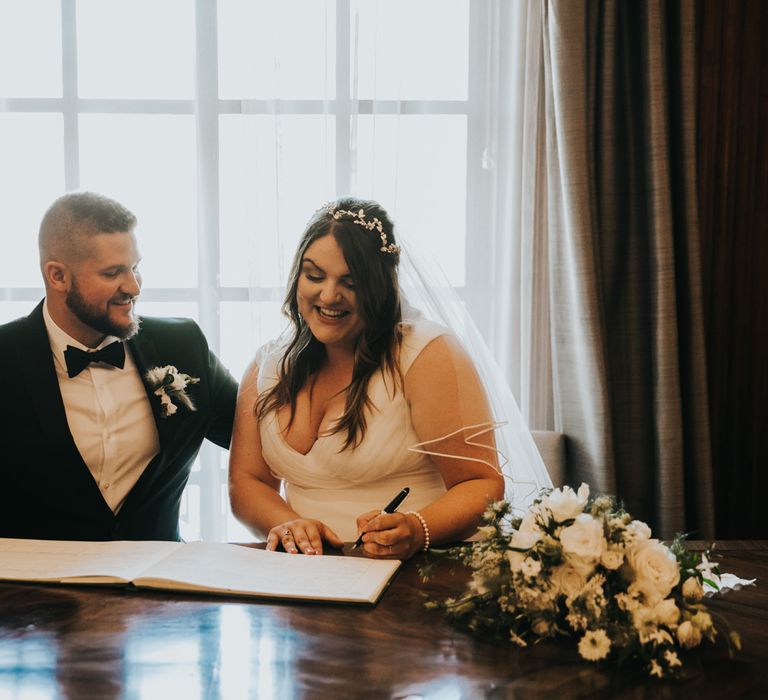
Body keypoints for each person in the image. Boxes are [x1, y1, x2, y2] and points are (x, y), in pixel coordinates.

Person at [229, 197, 517, 559]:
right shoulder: (265, 367)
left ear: (381, 287)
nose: (329, 295)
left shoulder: (426, 354)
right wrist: (288, 523)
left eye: (350, 283)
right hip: (304, 577)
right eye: (314, 276)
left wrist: (417, 528)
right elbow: (246, 483)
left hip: (417, 572)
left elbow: (481, 484)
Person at [0, 192, 238, 541]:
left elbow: (266, 437)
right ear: (57, 276)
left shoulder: (183, 345)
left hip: (161, 584)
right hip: (30, 591)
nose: (134, 286)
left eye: (135, 267)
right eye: (113, 273)